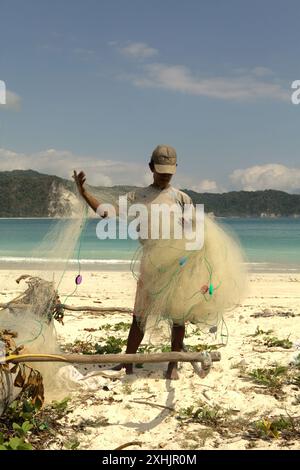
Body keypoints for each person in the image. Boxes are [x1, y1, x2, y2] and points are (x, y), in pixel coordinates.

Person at [73, 145, 194, 380]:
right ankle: (128, 363)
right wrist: (84, 192)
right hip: (150, 262)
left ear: (176, 169)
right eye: (161, 170)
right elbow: (106, 212)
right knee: (139, 316)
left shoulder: (182, 199)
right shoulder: (137, 197)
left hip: (176, 265)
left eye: (170, 171)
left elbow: (192, 233)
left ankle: (173, 365)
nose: (165, 174)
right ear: (150, 168)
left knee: (178, 317)